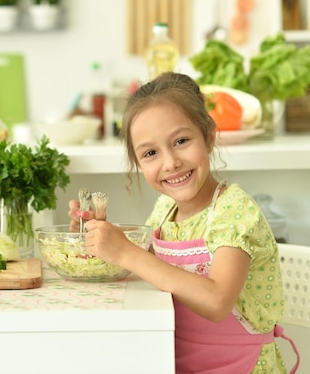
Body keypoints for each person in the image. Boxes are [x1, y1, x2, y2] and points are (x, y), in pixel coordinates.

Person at [68, 72, 299, 374]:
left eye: (181, 141)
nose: (170, 162)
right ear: (139, 164)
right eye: (150, 153)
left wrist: (126, 251)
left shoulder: (235, 211)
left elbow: (217, 301)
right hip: (174, 361)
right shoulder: (165, 209)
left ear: (210, 137)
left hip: (242, 367)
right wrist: (103, 239)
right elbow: (149, 269)